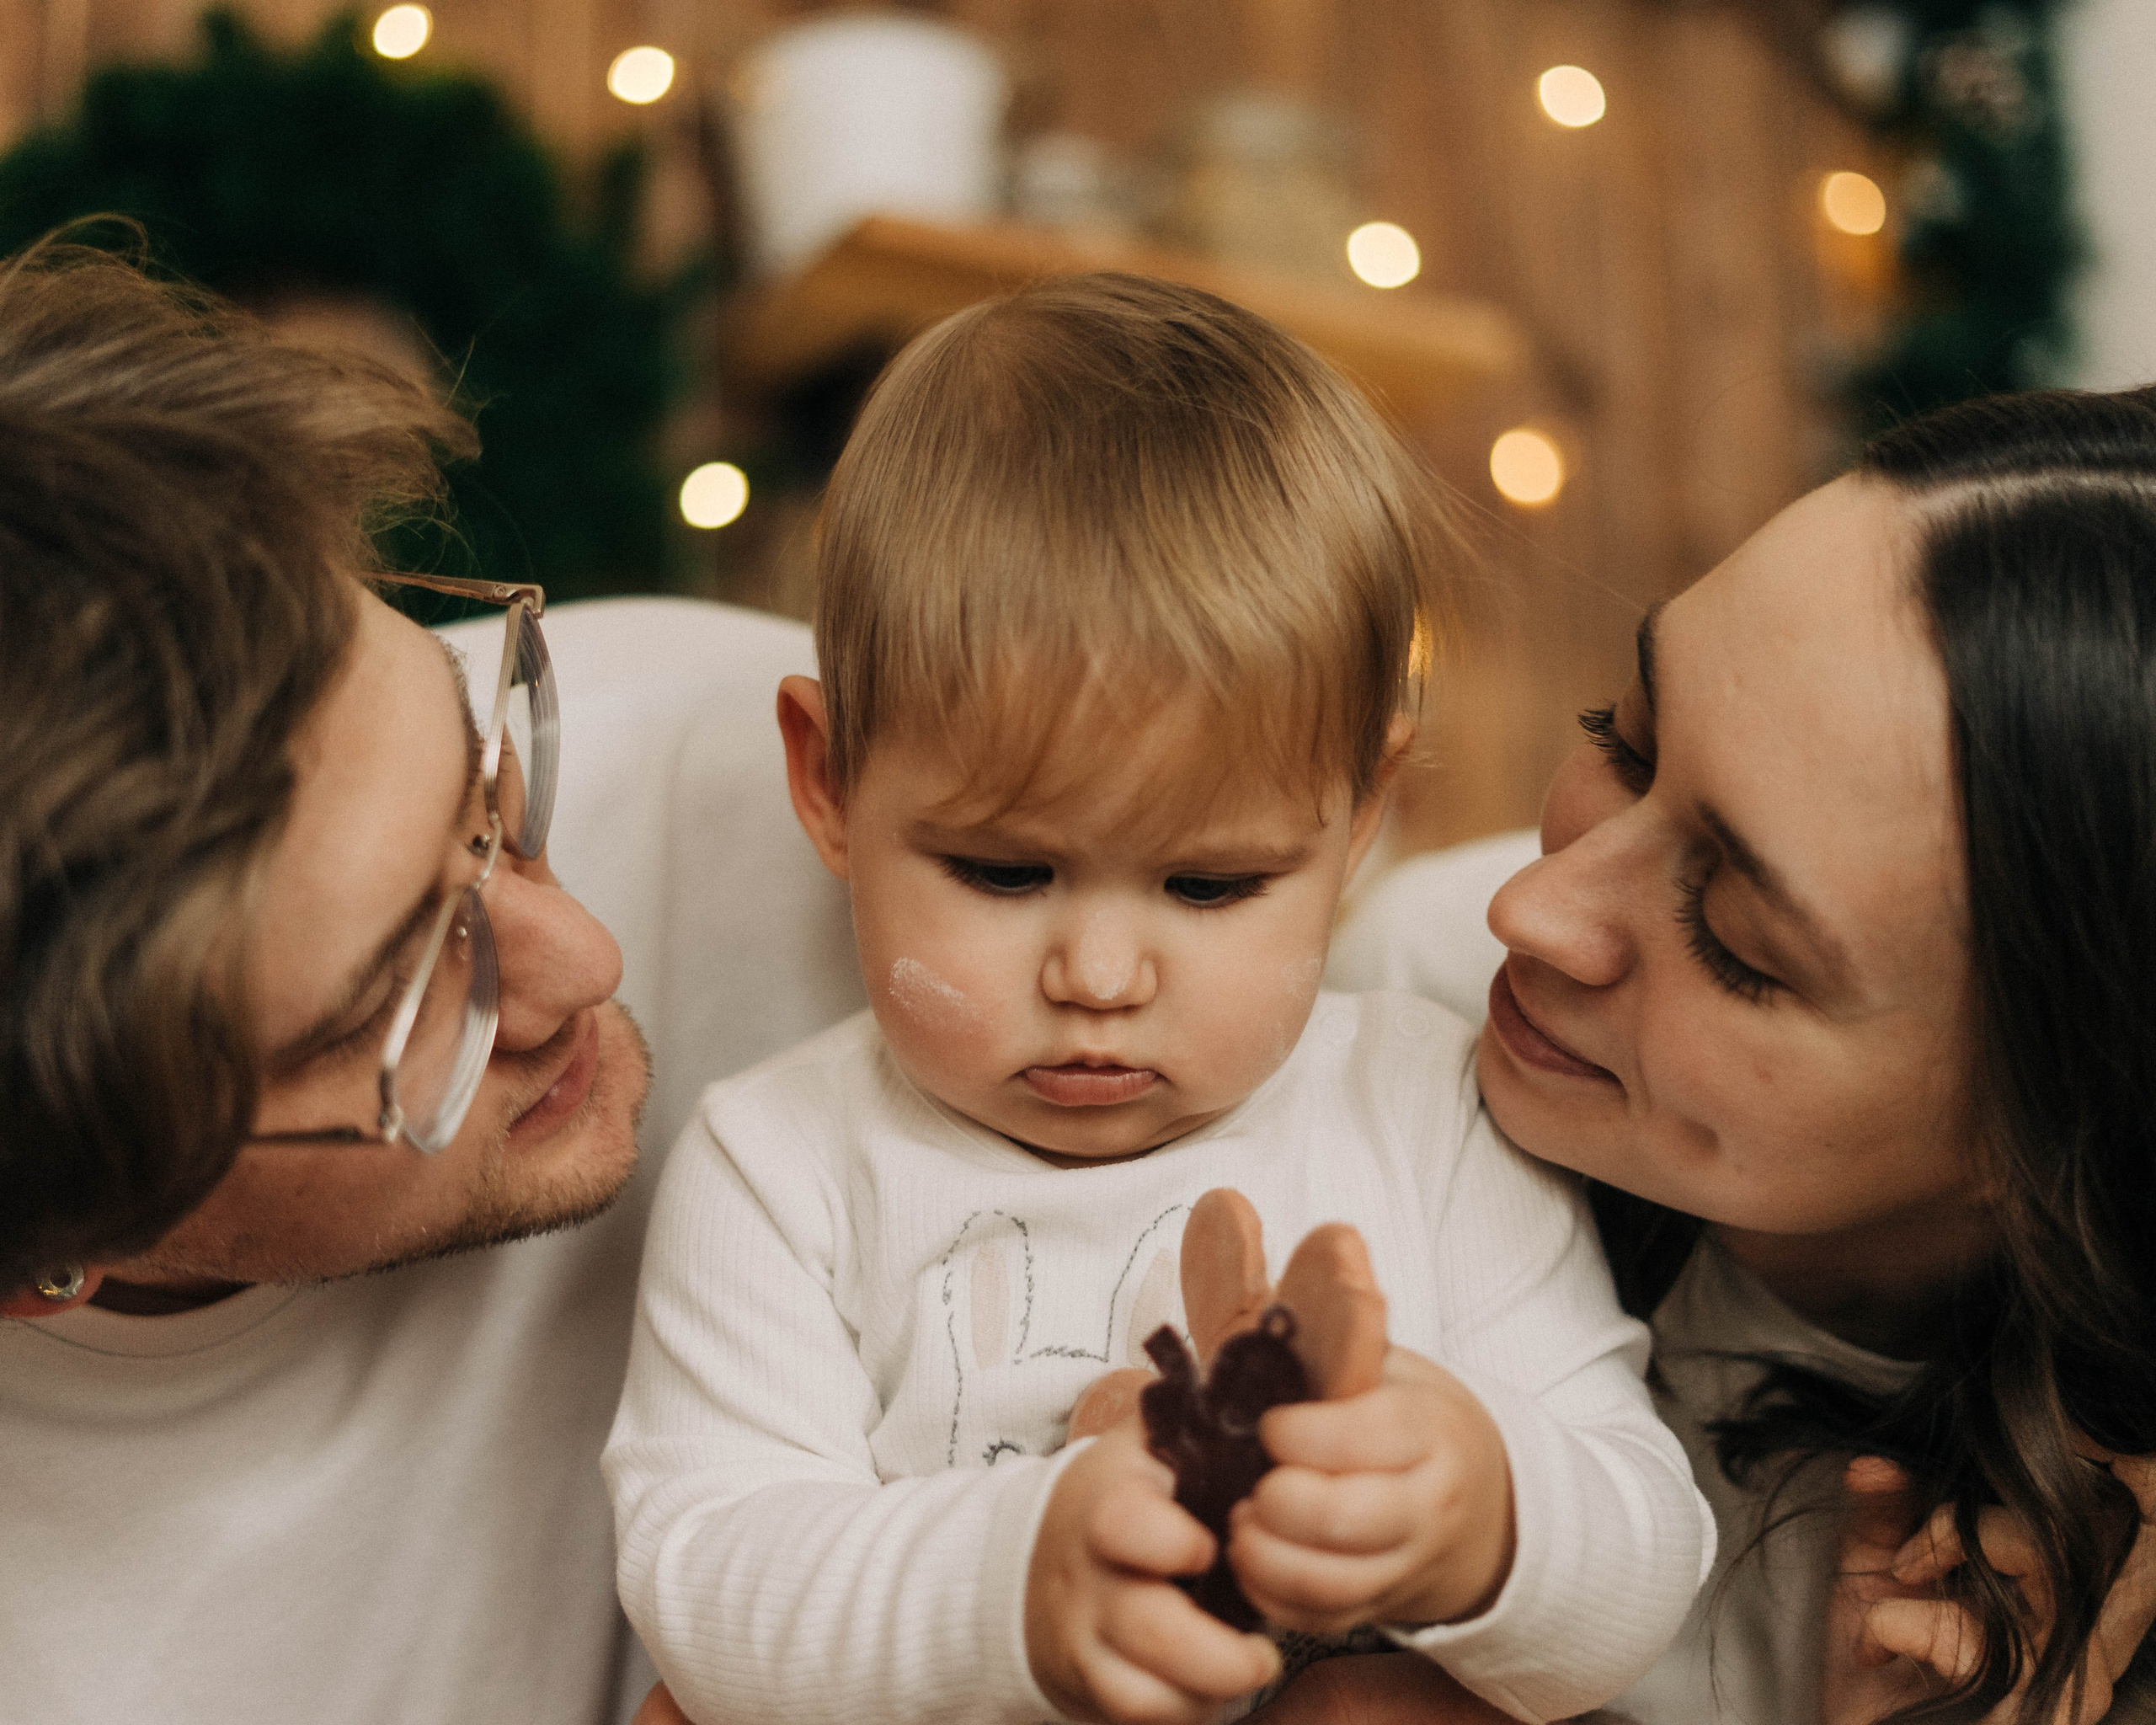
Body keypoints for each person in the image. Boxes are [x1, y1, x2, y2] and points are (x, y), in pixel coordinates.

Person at [601, 274, 1715, 1725]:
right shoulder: (782, 1162)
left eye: (1208, 889)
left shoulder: (1431, 1110)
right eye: (1004, 874)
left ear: (1360, 817)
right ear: (830, 783)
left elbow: (1643, 1570)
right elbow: (709, 1572)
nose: (1101, 981)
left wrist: (1486, 1518)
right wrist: (1020, 1576)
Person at [1337, 383, 2156, 1722]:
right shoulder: (1411, 979)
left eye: (1735, 942)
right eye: (1626, 740)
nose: (1528, 912)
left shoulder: (2000, 1618)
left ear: (2065, 1126)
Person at [0, 240, 657, 1722]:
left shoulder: (860, 809)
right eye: (389, 1002)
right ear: (50, 1262)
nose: (588, 964)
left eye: (489, 784)